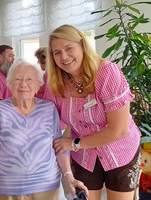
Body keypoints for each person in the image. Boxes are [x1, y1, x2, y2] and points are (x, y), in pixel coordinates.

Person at [45, 24, 141, 200]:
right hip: (84, 158)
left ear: (82, 45)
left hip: (120, 151)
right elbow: (51, 123)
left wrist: (73, 144)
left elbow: (119, 130)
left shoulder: (106, 72)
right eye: (56, 52)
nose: (64, 57)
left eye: (69, 48)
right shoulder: (55, 83)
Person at [0, 59, 88, 200]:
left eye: (29, 79)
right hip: (6, 188)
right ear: (10, 84)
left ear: (38, 86)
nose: (23, 84)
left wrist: (69, 176)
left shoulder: (49, 109)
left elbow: (59, 147)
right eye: (18, 79)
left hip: (47, 188)